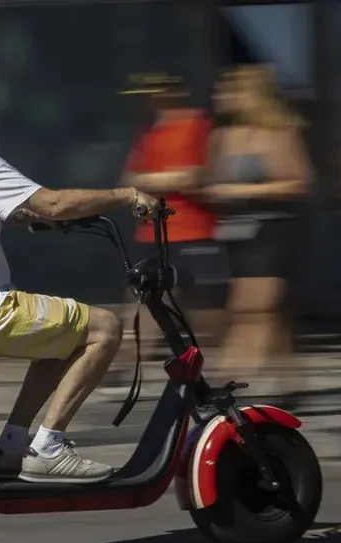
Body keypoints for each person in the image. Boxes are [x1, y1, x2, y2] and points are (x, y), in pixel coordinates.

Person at [0, 68, 159, 484]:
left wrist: (25, 215)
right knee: (105, 328)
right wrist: (128, 195)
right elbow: (54, 203)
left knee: (61, 335)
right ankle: (48, 448)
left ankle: (12, 447)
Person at [203, 65, 312, 400]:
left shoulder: (278, 133)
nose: (220, 98)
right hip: (233, 231)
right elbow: (209, 182)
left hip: (270, 229)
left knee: (252, 309)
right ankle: (291, 381)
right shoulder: (220, 136)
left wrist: (241, 192)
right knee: (270, 312)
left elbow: (299, 181)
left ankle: (231, 381)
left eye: (230, 91)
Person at [113, 73, 224, 366]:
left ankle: (209, 367)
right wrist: (170, 179)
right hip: (152, 233)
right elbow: (130, 180)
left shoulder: (199, 125)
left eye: (153, 93)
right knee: (143, 302)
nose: (146, 101)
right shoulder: (149, 130)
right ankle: (126, 367)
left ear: (172, 93)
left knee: (206, 309)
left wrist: (152, 181)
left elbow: (197, 178)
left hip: (194, 231)